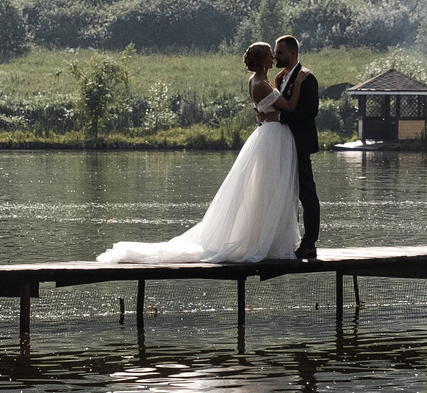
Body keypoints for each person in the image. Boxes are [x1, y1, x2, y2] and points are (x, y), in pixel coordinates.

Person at [96, 43, 303, 264]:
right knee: (268, 187)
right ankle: (262, 240)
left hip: (270, 135)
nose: (273, 58)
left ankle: (265, 238)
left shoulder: (258, 81)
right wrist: (299, 82)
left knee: (266, 189)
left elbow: (267, 107)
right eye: (270, 55)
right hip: (272, 137)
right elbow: (289, 107)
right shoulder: (260, 83)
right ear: (262, 60)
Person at [272, 35, 321, 260]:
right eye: (275, 52)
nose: (275, 56)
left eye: (279, 53)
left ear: (293, 53)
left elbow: (311, 110)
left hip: (300, 144)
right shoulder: (280, 77)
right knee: (286, 193)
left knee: (306, 194)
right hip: (282, 144)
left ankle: (309, 243)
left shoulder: (307, 78)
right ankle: (289, 239)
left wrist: (281, 117)